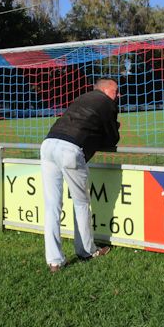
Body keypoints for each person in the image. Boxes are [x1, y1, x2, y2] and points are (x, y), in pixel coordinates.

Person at [41, 78, 120, 273]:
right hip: (70, 149)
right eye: (115, 91)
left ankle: (54, 261)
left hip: (48, 144)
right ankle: (86, 251)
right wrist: (115, 128)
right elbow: (112, 138)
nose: (117, 96)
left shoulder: (82, 98)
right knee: (81, 202)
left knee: (52, 205)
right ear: (105, 90)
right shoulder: (107, 103)